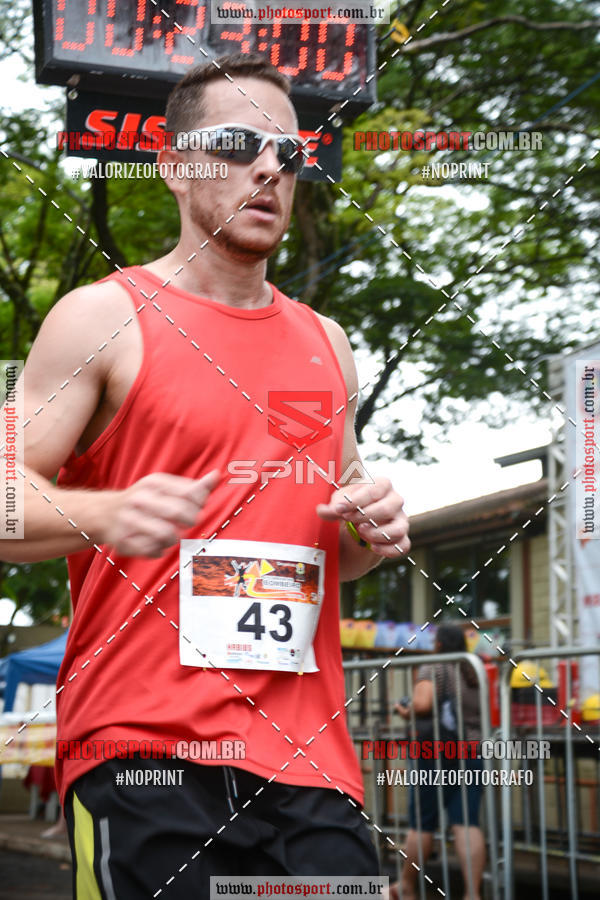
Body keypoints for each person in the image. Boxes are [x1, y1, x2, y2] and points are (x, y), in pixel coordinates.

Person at [0, 53, 410, 898]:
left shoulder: (327, 341)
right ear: (174, 166)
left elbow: (339, 548)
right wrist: (107, 513)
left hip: (312, 764)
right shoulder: (102, 317)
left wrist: (374, 530)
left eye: (289, 153)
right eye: (234, 144)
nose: (269, 167)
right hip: (144, 751)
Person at [395, 624, 485, 900]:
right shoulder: (473, 670)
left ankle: (407, 888)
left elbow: (422, 705)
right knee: (466, 821)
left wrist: (403, 710)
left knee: (422, 822)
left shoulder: (434, 666)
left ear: (439, 644)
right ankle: (473, 893)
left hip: (435, 753)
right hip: (472, 749)